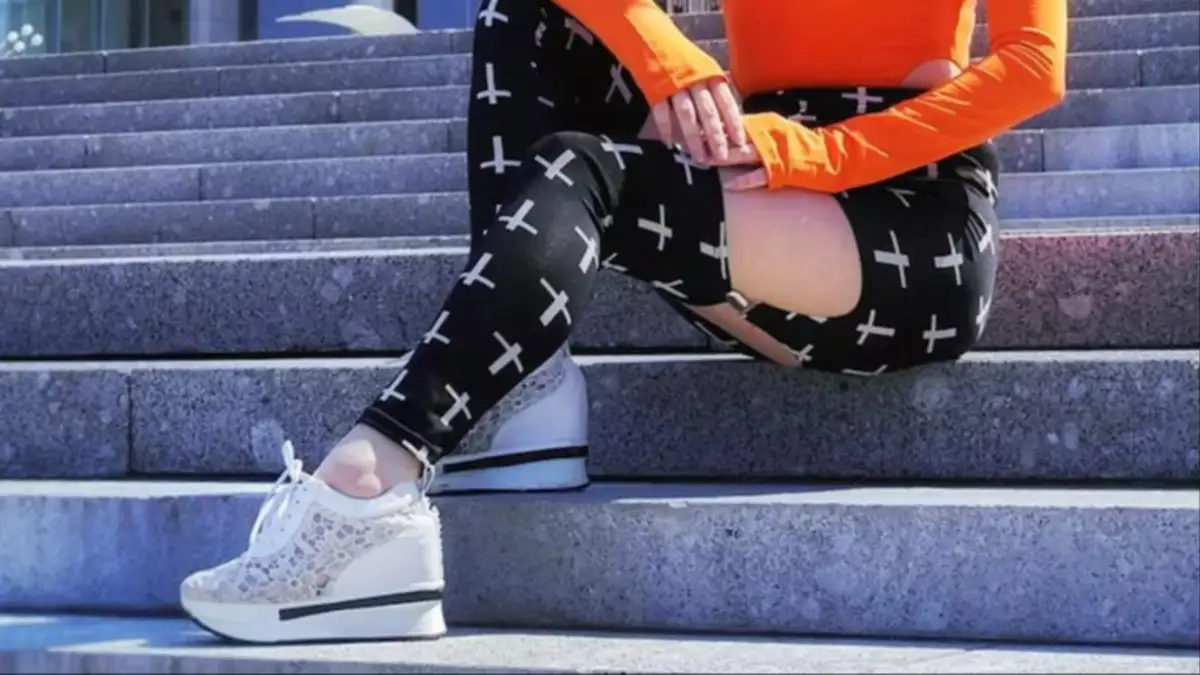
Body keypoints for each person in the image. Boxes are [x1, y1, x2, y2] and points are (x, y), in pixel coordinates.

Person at [179, 0, 1067, 644]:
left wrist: (822, 152)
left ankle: (369, 480)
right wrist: (671, 64)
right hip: (759, 182)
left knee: (586, 174)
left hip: (907, 223)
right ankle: (523, 391)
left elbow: (1035, 65)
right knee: (525, 16)